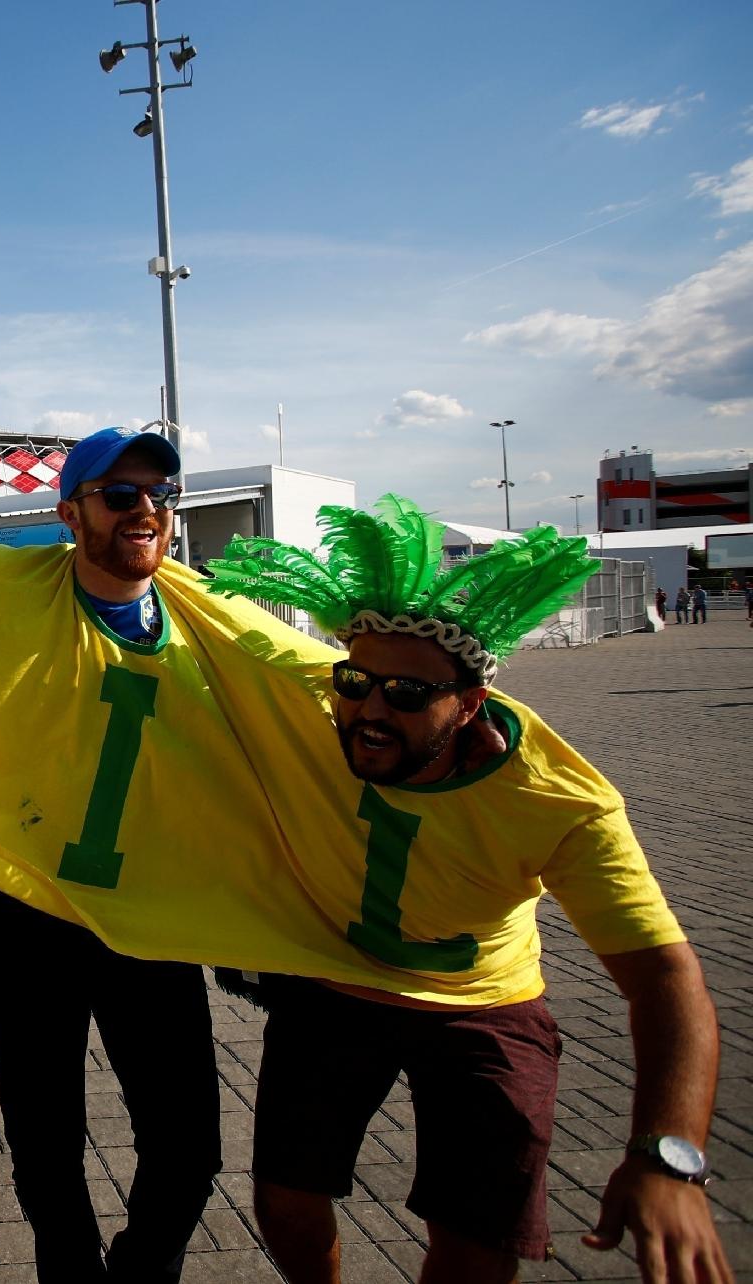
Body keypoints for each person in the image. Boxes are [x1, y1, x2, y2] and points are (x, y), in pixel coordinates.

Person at [204, 498, 733, 1284]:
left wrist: (668, 1156)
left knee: (478, 1250)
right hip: (337, 985)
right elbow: (192, 621)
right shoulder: (324, 701)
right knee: (285, 1204)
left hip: (483, 1006)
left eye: (410, 696)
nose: (372, 711)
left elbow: (663, 976)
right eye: (356, 682)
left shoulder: (559, 800)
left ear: (470, 704)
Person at [0, 426, 222, 1284]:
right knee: (44, 1144)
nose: (146, 509)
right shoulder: (7, 590)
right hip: (26, 910)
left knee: (190, 1150)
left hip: (149, 910)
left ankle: (141, 1269)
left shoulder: (207, 621)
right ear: (69, 512)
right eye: (120, 495)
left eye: (160, 494)